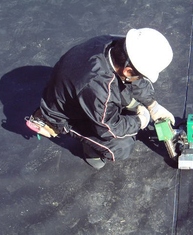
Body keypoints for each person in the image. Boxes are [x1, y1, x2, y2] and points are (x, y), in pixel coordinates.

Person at [27, 28, 175, 169]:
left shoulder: (115, 44)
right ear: (128, 70)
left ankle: (111, 111)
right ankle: (90, 149)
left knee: (128, 96)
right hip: (65, 113)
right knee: (122, 146)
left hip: (78, 89)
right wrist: (139, 121)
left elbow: (135, 79)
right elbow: (109, 130)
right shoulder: (100, 89)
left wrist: (152, 105)